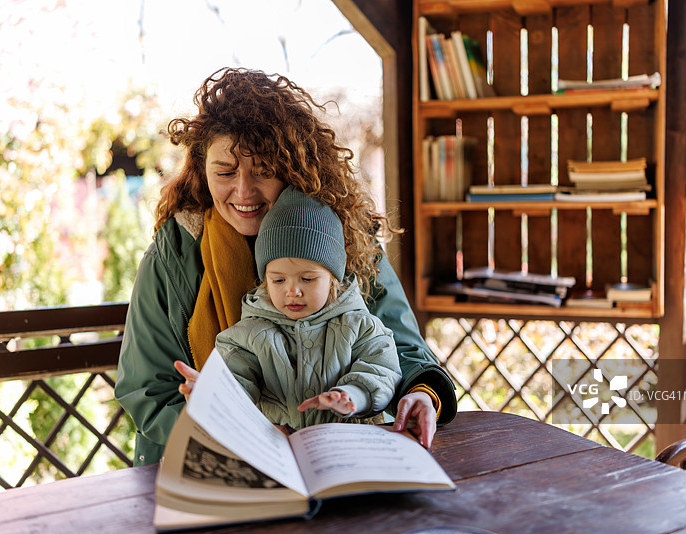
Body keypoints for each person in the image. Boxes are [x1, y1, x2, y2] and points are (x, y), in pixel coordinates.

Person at [115, 67, 456, 467]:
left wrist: (422, 392)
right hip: (210, 462)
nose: (243, 191)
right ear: (202, 170)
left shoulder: (343, 235)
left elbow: (399, 345)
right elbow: (149, 390)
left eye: (263, 171)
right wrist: (236, 432)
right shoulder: (175, 252)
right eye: (224, 172)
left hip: (342, 455)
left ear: (295, 169)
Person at [215, 185, 401, 429]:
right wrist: (214, 394)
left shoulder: (359, 326)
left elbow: (382, 369)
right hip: (278, 452)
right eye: (279, 280)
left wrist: (353, 395)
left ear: (333, 278)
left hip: (346, 448)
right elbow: (234, 377)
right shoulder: (248, 334)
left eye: (308, 279)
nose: (292, 291)